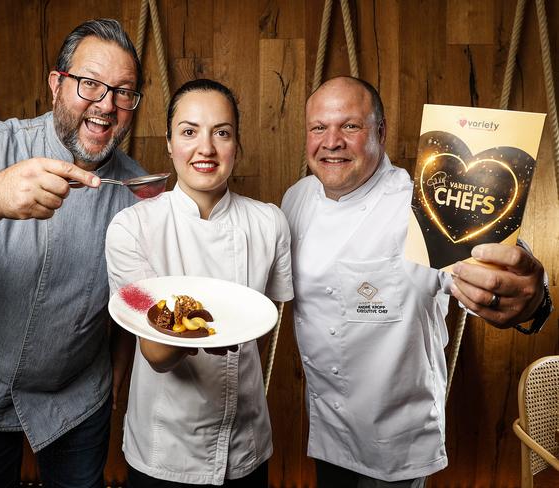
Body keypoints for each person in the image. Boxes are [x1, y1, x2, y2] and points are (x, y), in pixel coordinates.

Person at [280, 76, 552, 487]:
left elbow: (503, 270)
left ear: (381, 131)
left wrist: (533, 299)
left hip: (396, 440)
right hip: (328, 431)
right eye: (319, 127)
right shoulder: (296, 198)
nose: (331, 141)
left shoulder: (424, 204)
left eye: (350, 126)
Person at [0, 19, 146, 488]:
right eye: (90, 84)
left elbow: (135, 301)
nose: (107, 105)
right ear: (56, 84)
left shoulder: (137, 191)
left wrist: (117, 376)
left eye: (124, 92)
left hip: (77, 402)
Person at [105, 79, 293, 487]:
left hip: (247, 444)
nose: (205, 148)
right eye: (189, 132)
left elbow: (263, 326)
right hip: (164, 450)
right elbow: (155, 351)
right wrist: (212, 332)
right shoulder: (132, 228)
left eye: (221, 133)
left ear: (237, 145)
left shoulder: (269, 223)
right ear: (170, 144)